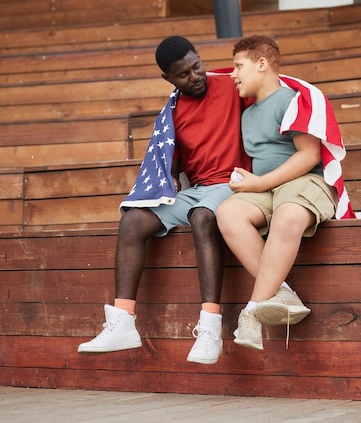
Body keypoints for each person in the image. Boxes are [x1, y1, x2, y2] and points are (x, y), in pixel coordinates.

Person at [78, 35, 251, 364]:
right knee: (132, 219)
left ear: (200, 59)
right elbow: (168, 167)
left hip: (234, 183)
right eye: (183, 75)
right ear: (168, 79)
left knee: (202, 216)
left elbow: (273, 90)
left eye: (196, 66)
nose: (195, 76)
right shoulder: (171, 113)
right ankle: (123, 321)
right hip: (198, 188)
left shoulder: (230, 84)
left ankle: (211, 325)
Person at [216, 35, 339, 351]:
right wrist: (252, 182)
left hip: (303, 182)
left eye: (239, 66)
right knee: (227, 213)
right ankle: (281, 292)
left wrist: (258, 183)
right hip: (266, 188)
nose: (233, 74)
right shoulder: (246, 114)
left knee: (287, 216)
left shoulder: (291, 100)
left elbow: (309, 155)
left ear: (262, 63)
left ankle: (252, 313)